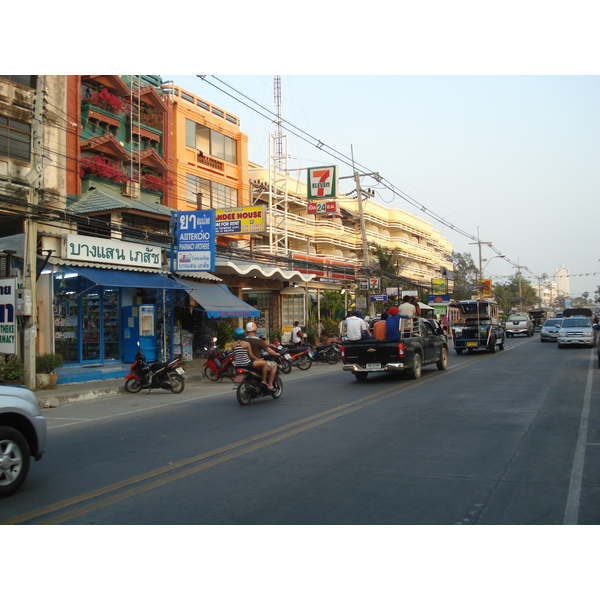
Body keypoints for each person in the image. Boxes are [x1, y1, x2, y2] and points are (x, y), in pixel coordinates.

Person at [244, 322, 278, 390]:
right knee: (274, 365)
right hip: (255, 362)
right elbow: (269, 350)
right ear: (255, 330)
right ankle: (270, 384)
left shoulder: (243, 340)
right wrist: (277, 354)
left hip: (245, 362)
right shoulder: (258, 340)